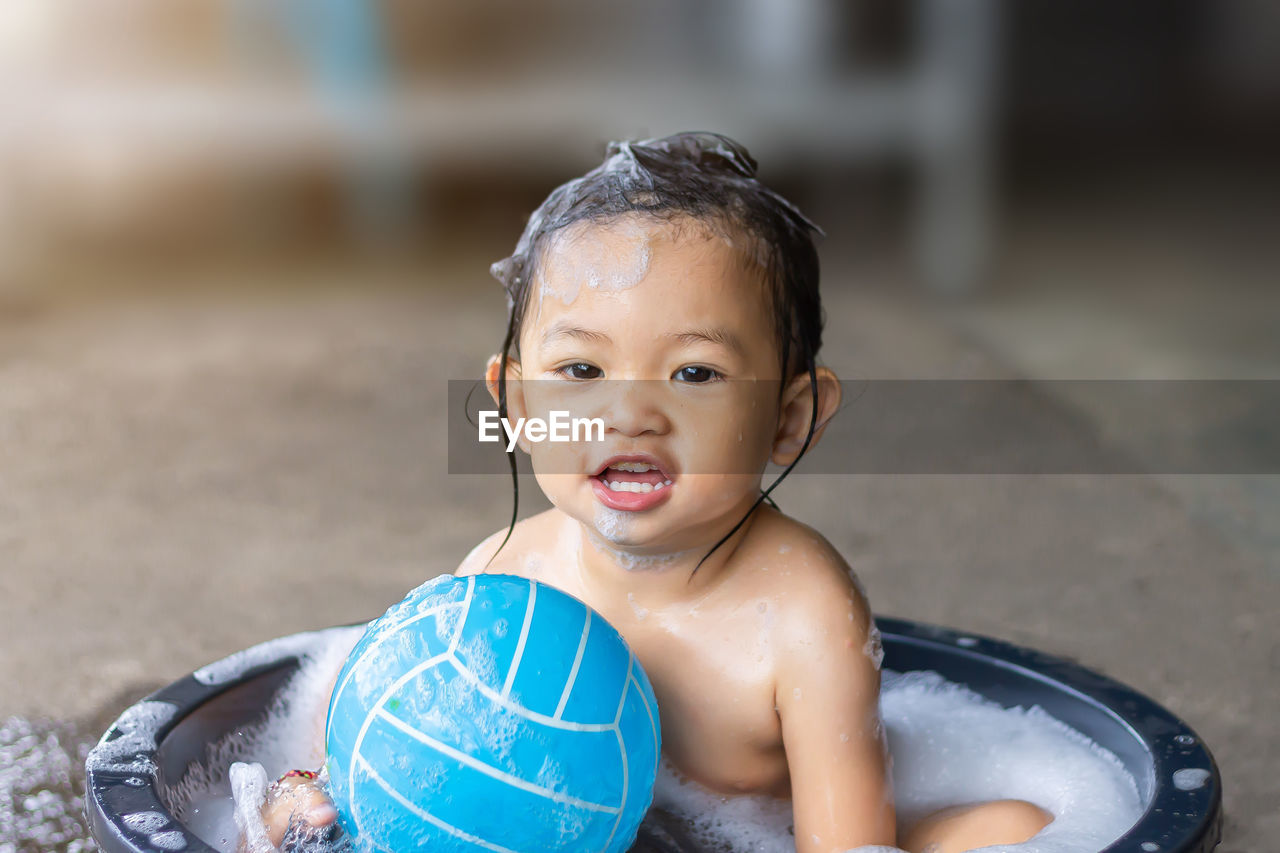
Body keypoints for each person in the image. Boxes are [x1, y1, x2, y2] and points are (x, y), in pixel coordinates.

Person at [248, 132, 1053, 853]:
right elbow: (396, 747)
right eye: (582, 371)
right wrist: (308, 801)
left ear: (789, 416)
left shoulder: (803, 614)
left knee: (1024, 831)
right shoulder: (507, 575)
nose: (630, 414)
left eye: (694, 372)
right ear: (520, 408)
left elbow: (846, 843)